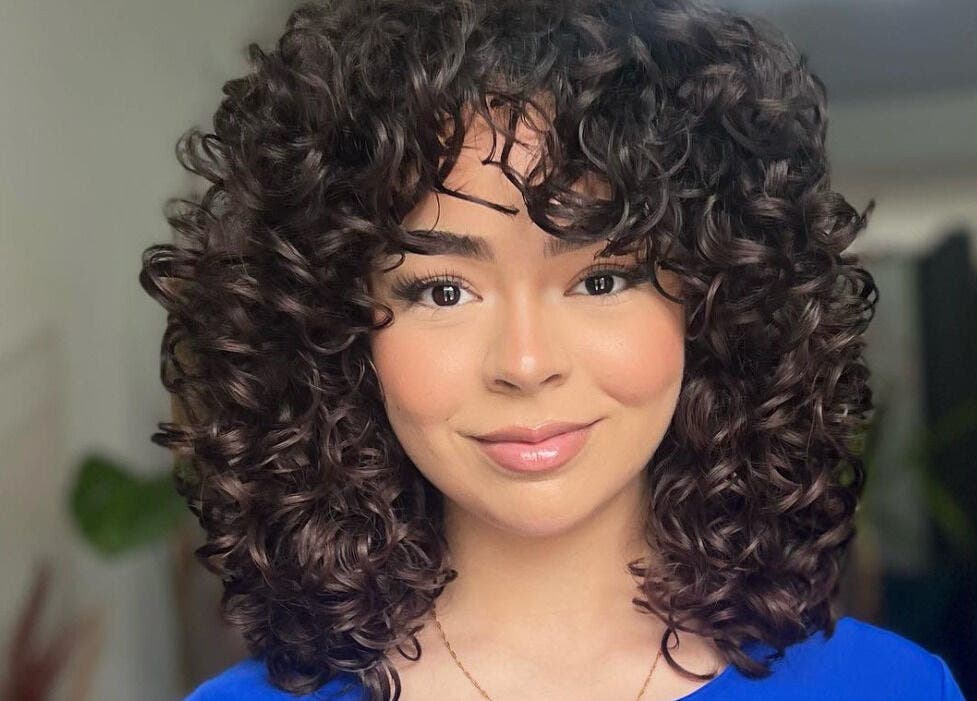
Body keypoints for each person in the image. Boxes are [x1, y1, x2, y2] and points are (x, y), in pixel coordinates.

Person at [139, 0, 968, 699]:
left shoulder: (889, 687)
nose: (527, 363)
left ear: (715, 303)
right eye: (441, 290)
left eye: (602, 279)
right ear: (335, 331)